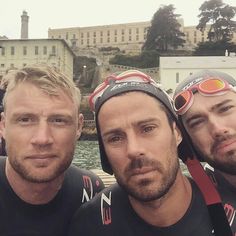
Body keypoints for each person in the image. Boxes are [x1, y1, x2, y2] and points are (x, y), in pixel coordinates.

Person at [67, 70, 232, 236]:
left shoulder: (228, 206)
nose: (134, 150)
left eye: (148, 129)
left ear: (177, 133)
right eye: (115, 138)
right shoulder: (89, 224)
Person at [0, 64, 104, 235]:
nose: (42, 139)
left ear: (79, 127)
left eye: (58, 120)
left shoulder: (91, 192)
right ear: (3, 126)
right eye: (25, 120)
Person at [173, 69, 236, 234]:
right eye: (197, 122)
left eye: (225, 109)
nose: (217, 129)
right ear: (188, 143)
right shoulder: (188, 204)